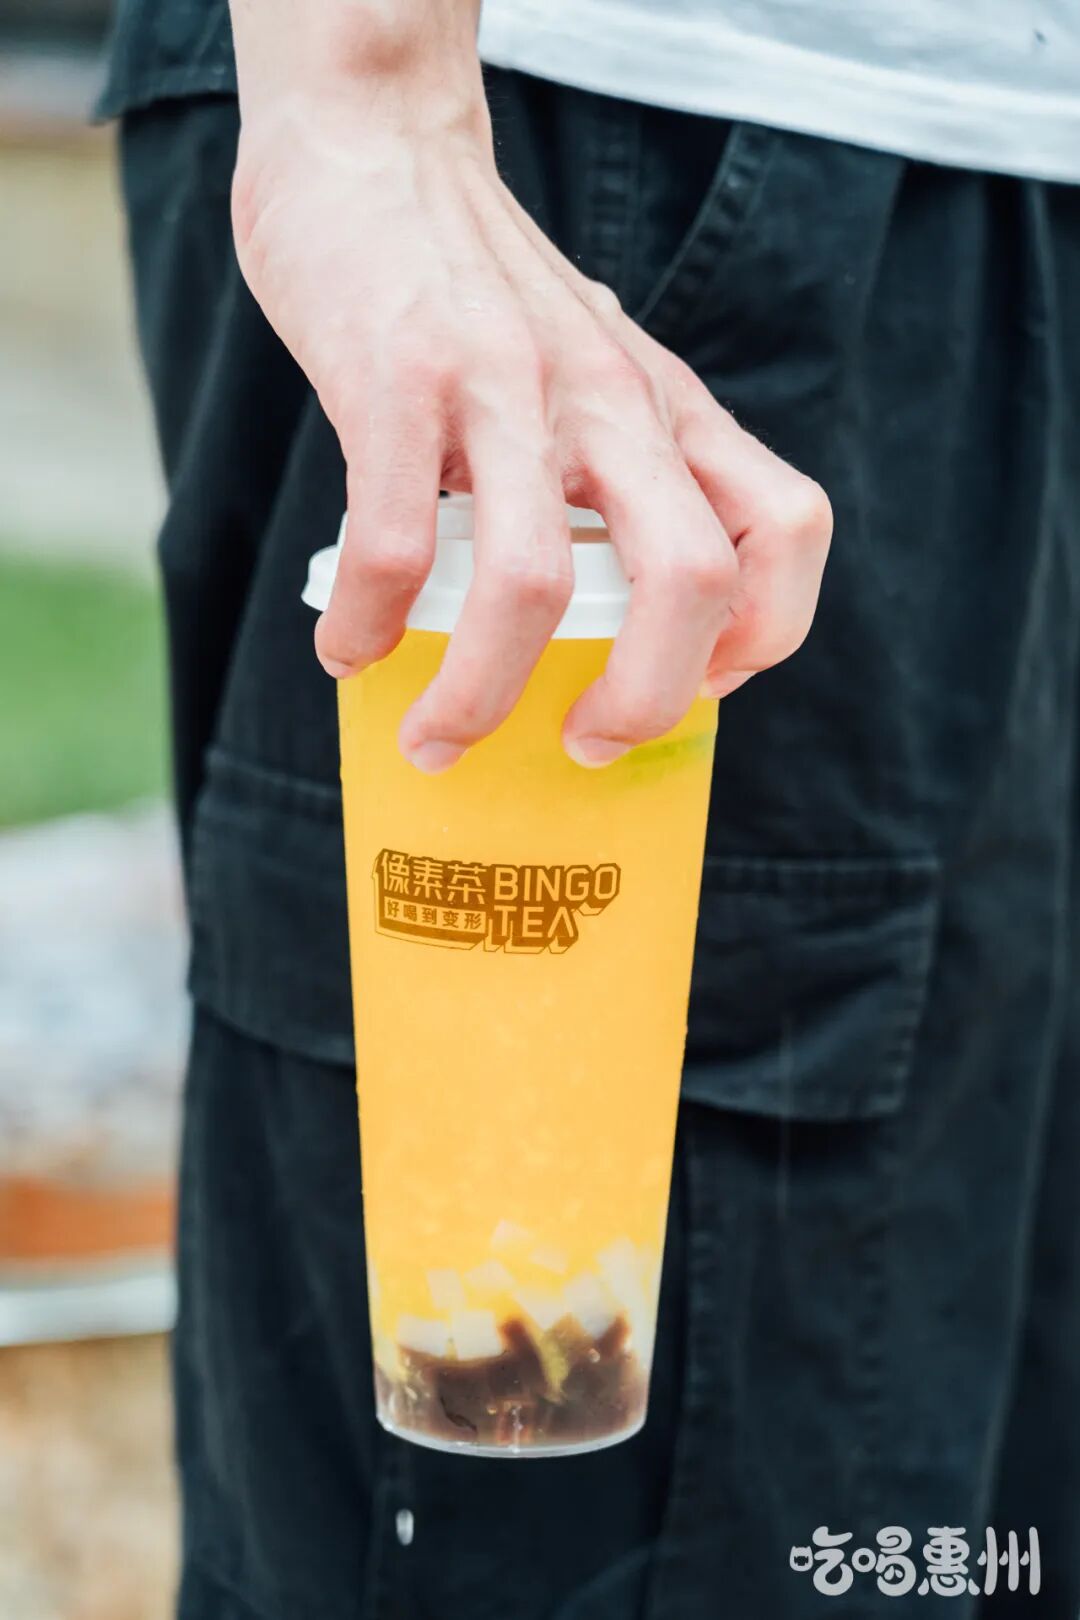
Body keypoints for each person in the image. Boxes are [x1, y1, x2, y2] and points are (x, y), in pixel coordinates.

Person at [99, 1, 1080, 1614]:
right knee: (567, 1471)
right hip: (620, 140)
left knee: (923, 1455)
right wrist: (367, 94)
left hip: (975, 155)